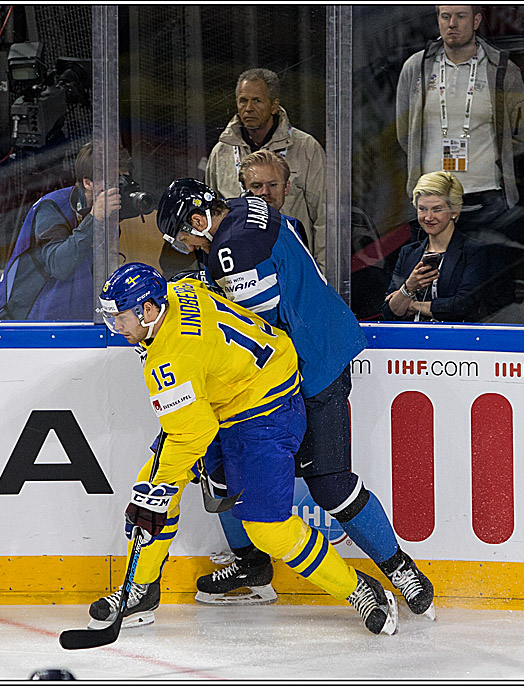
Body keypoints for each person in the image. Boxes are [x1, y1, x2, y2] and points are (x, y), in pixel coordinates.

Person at [154, 178, 437, 619]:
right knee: (225, 473)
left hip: (307, 371)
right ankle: (252, 566)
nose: (187, 246)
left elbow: (258, 331)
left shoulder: (231, 254)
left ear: (198, 219)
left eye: (183, 236)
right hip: (315, 347)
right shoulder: (248, 207)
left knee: (330, 484)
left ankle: (398, 567)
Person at [90, 262, 399, 635]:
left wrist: (158, 490)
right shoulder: (177, 292)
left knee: (267, 528)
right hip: (239, 391)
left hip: (265, 410)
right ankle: (140, 591)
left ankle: (360, 590)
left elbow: (193, 433)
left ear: (149, 310)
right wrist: (158, 487)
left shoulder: (169, 360)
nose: (116, 327)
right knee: (153, 487)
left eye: (121, 317)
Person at [395, 7, 524, 322]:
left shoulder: (501, 68)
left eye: (460, 16)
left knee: (491, 284)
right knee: (431, 283)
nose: (452, 24)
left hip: (486, 195)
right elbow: (406, 133)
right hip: (433, 198)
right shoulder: (416, 68)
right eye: (445, 17)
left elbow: (520, 134)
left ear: (476, 21)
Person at [205, 68, 327, 271]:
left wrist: (322, 275)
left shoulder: (306, 149)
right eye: (243, 101)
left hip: (293, 268)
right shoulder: (222, 152)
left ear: (274, 106)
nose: (248, 108)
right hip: (239, 273)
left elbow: (325, 219)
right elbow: (211, 218)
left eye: (257, 101)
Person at [0, 143, 122, 320]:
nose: (116, 187)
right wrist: (94, 219)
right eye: (110, 181)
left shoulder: (103, 211)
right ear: (88, 183)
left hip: (69, 316)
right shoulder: (52, 208)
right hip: (20, 321)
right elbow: (59, 266)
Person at [382, 171, 487, 322]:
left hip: (456, 340)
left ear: (454, 211)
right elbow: (389, 312)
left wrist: (412, 305)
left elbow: (462, 306)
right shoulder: (408, 252)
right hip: (412, 341)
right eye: (422, 209)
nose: (428, 217)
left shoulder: (473, 251)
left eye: (437, 209)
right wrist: (409, 287)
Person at [237, 149, 308, 253]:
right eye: (257, 186)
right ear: (244, 190)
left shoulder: (294, 227)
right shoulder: (227, 230)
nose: (265, 192)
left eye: (273, 185)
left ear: (286, 188)